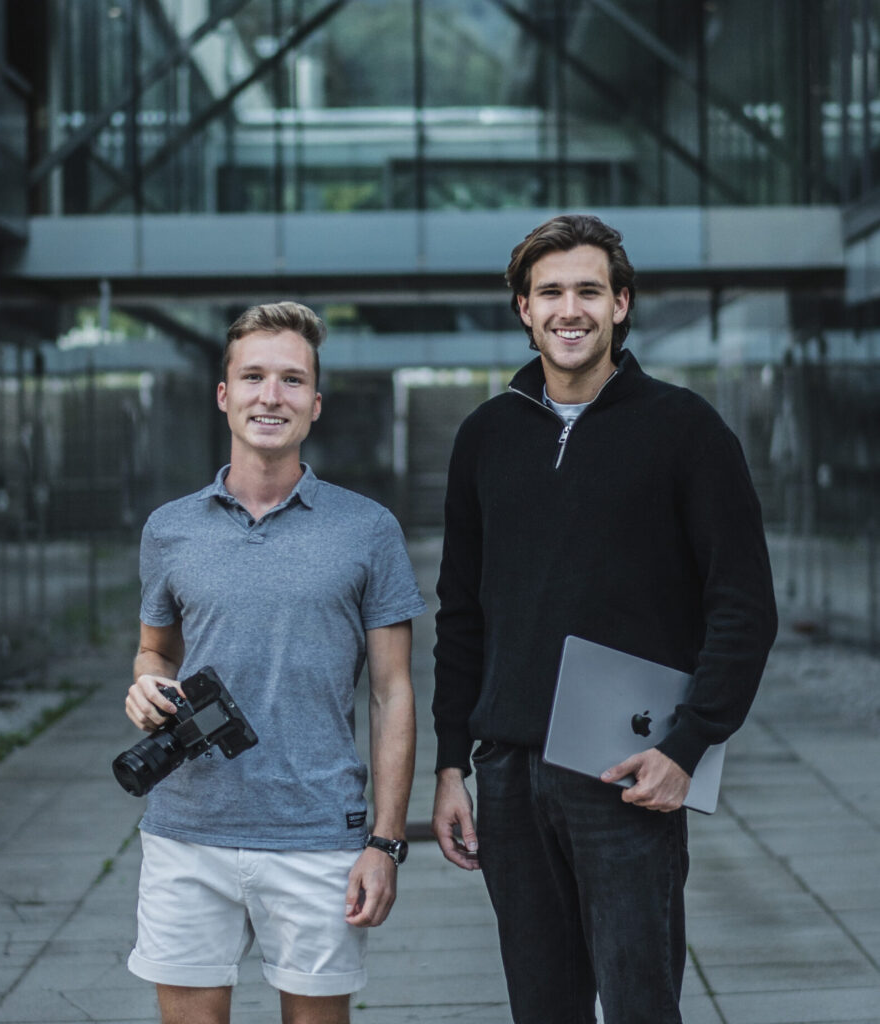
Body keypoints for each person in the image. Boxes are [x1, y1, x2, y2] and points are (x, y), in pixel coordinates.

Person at [431, 214, 777, 1024]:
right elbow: (461, 612)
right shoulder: (484, 438)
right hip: (510, 772)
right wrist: (452, 764)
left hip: (626, 769)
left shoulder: (686, 430)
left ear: (622, 304)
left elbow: (744, 605)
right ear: (523, 308)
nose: (569, 309)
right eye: (549, 292)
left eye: (589, 290)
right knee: (542, 1008)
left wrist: (688, 747)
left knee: (638, 1006)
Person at [124, 301, 425, 1024]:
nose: (271, 396)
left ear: (315, 404)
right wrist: (142, 683)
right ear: (224, 396)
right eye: (253, 377)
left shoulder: (367, 529)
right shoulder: (170, 529)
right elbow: (154, 648)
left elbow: (392, 693)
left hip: (319, 832)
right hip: (187, 829)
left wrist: (385, 841)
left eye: (291, 380)